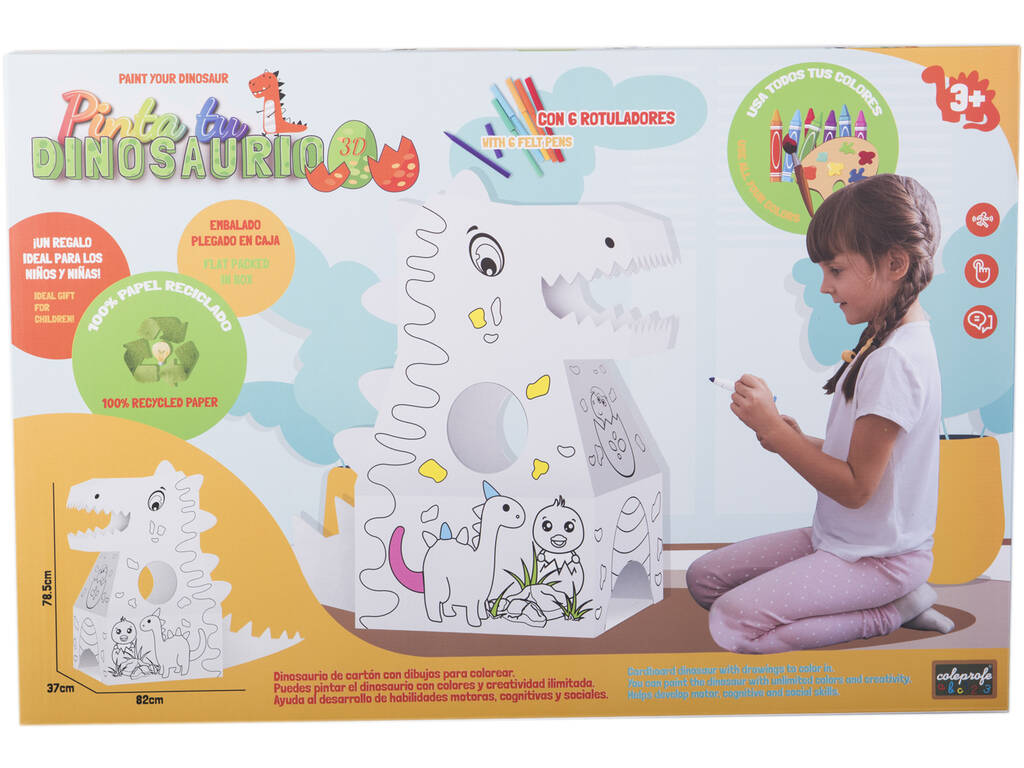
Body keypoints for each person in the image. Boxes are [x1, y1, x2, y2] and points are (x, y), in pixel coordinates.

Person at [687, 174, 954, 654]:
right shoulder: (888, 343)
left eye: (835, 270)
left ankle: (891, 609)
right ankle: (890, 599)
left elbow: (855, 488)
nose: (826, 286)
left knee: (733, 621)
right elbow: (867, 463)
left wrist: (776, 432)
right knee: (705, 579)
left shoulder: (894, 360)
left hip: (878, 559)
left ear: (894, 263)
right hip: (840, 541)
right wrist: (789, 436)